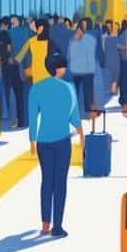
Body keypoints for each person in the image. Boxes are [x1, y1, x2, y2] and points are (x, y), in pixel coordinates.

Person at [28, 55, 81, 236]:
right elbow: (74, 115)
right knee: (60, 183)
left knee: (46, 181)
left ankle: (45, 223)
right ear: (59, 69)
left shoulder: (36, 89)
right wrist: (81, 134)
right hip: (62, 140)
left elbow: (33, 117)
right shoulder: (68, 88)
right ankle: (57, 226)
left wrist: (32, 140)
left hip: (43, 141)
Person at [68, 20, 98, 122]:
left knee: (86, 93)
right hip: (80, 70)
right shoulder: (89, 39)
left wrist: (76, 42)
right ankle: (86, 114)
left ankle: (88, 114)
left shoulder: (88, 39)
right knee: (83, 93)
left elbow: (73, 55)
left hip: (85, 70)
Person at [6, 15, 29, 128]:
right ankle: (24, 119)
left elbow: (9, 49)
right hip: (25, 65)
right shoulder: (26, 32)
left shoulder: (9, 33)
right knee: (23, 94)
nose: (12, 23)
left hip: (15, 65)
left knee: (17, 94)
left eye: (13, 21)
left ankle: (19, 120)